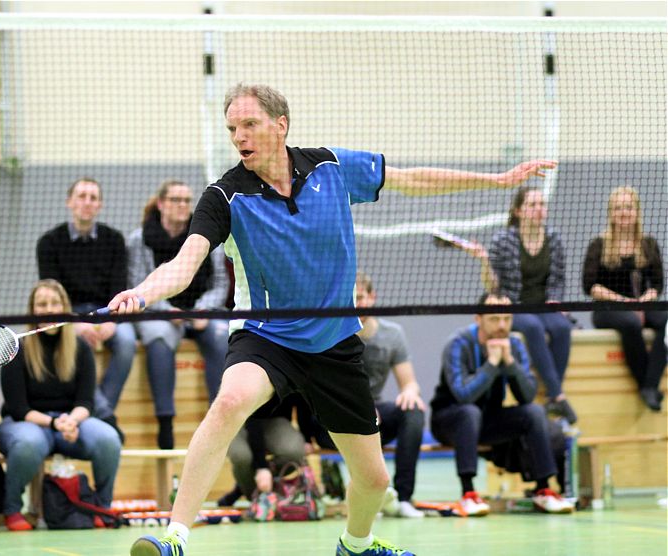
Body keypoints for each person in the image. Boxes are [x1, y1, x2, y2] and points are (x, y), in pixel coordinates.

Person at [109, 83, 557, 556]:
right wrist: (141, 294)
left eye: (249, 125)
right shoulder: (225, 195)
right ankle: (175, 537)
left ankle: (356, 546)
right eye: (232, 129)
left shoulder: (331, 167)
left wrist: (495, 183)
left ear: (280, 125)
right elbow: (185, 264)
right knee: (230, 402)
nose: (239, 137)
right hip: (268, 335)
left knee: (374, 480)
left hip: (334, 340)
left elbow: (410, 180)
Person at [430, 293, 574, 517]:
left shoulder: (514, 345)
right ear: (478, 319)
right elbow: (463, 395)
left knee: (533, 412)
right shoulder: (458, 343)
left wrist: (510, 363)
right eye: (494, 319)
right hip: (449, 420)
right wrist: (492, 363)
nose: (502, 325)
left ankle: (544, 489)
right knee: (469, 412)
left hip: (488, 421)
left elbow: (526, 395)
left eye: (507, 319)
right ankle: (468, 494)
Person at [0, 279, 121, 531]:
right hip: (24, 422)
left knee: (109, 439)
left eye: (55, 302)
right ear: (33, 310)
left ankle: (101, 506)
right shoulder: (15, 348)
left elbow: (86, 401)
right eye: (42, 304)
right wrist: (54, 422)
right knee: (28, 444)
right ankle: (12, 510)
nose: (49, 309)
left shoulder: (81, 348)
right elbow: (18, 407)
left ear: (65, 307)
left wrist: (71, 421)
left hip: (69, 422)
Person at [127, 179, 230, 449]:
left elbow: (220, 283)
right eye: (176, 200)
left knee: (222, 335)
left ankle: (217, 417)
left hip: (200, 312)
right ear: (161, 204)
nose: (183, 206)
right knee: (159, 338)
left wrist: (203, 309)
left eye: (187, 200)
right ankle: (165, 421)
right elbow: (138, 283)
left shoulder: (205, 235)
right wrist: (166, 309)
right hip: (160, 313)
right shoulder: (140, 239)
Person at [37, 177, 134, 434]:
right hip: (68, 313)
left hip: (105, 311)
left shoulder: (114, 240)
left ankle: (101, 410)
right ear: (70, 202)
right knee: (78, 347)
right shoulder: (49, 242)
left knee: (126, 342)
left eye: (93, 197)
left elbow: (119, 286)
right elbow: (50, 292)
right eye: (81, 196)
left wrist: (112, 320)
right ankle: (105, 418)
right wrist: (75, 324)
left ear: (100, 205)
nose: (87, 202)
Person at [479, 187, 576, 423]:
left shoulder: (554, 239)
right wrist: (484, 261)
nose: (539, 210)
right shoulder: (502, 240)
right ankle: (558, 396)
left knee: (563, 328)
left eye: (542, 204)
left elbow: (559, 278)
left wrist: (555, 299)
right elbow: (494, 287)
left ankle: (554, 398)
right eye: (532, 205)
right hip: (514, 306)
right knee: (532, 327)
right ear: (519, 211)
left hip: (544, 306)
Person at [583, 186, 666, 412]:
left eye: (628, 207)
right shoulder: (598, 244)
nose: (623, 212)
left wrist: (642, 301)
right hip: (608, 308)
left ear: (637, 211)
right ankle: (645, 386)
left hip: (641, 303)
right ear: (611, 213)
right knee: (630, 323)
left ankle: (650, 385)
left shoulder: (648, 244)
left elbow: (657, 285)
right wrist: (624, 302)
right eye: (618, 208)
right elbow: (590, 285)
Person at [354, 273, 425, 518]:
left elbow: (410, 383)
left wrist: (409, 391)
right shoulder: (333, 333)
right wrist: (359, 405)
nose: (356, 303)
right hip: (338, 415)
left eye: (360, 297)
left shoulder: (393, 334)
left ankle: (403, 498)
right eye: (350, 298)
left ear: (372, 297)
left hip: (375, 415)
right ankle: (371, 496)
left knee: (413, 412)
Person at [216, 395, 307, 509]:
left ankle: (243, 486)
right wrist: (261, 466)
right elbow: (254, 419)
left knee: (294, 451)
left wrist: (307, 438)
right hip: (239, 419)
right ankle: (255, 497)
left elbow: (304, 400)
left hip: (275, 419)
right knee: (241, 456)